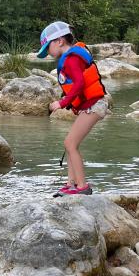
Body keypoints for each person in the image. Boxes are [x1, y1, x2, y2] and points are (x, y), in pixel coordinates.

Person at [36, 21, 108, 196]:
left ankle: (82, 187)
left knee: (70, 143)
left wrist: (61, 103)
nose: (48, 53)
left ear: (59, 41)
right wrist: (68, 100)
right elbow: (76, 86)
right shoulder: (71, 58)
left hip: (95, 105)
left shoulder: (72, 59)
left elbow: (80, 83)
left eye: (48, 48)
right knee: (69, 143)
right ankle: (71, 184)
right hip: (91, 105)